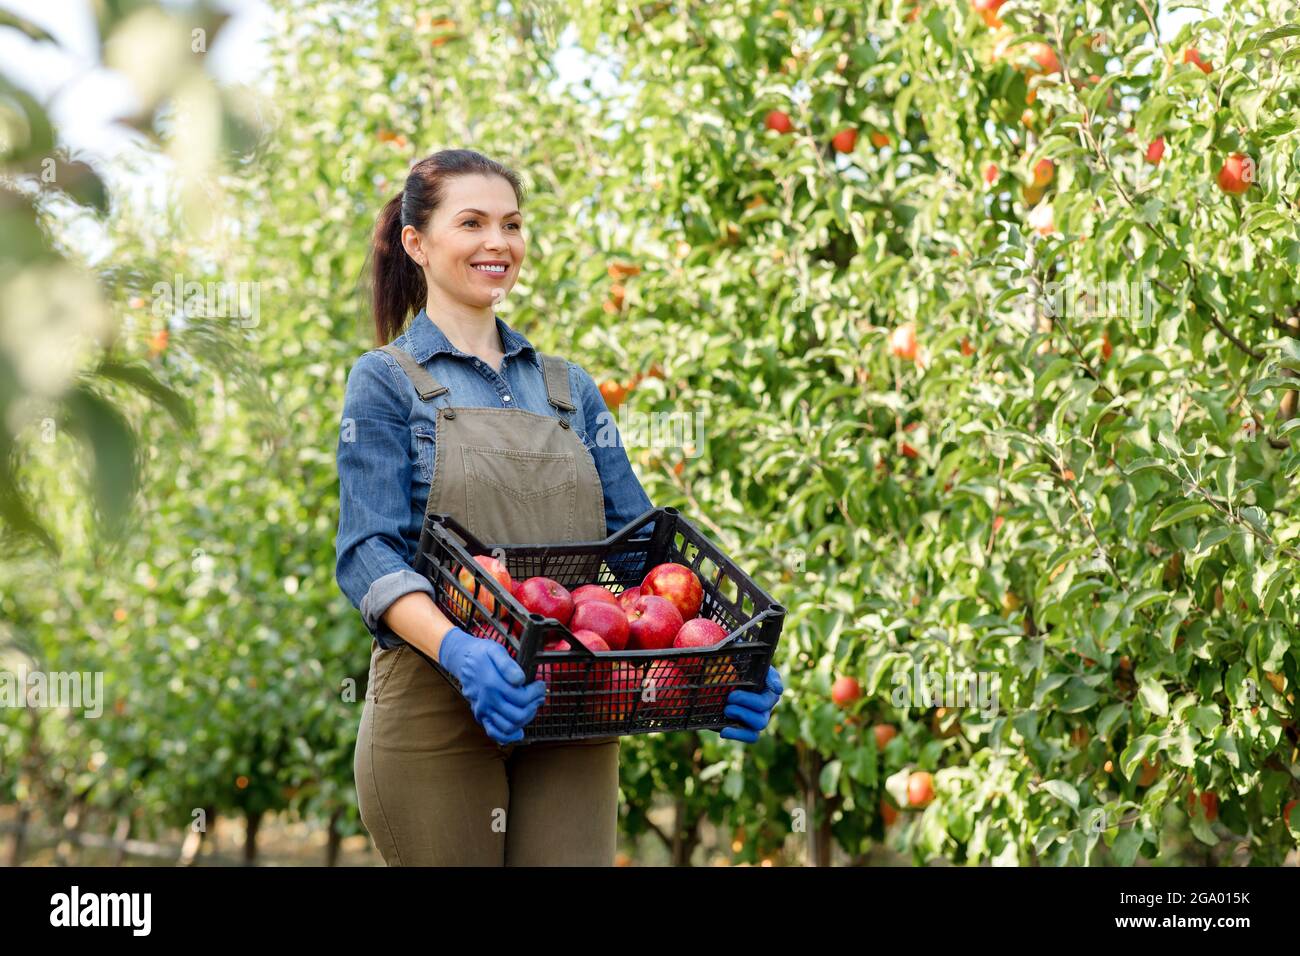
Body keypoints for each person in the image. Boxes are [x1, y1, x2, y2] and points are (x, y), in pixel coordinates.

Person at [334, 148, 783, 866]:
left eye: (511, 224)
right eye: (472, 222)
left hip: (576, 695)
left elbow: (643, 554)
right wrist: (460, 650)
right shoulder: (386, 382)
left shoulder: (569, 389)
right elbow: (367, 552)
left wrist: (720, 659)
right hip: (436, 705)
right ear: (417, 243)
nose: (497, 243)